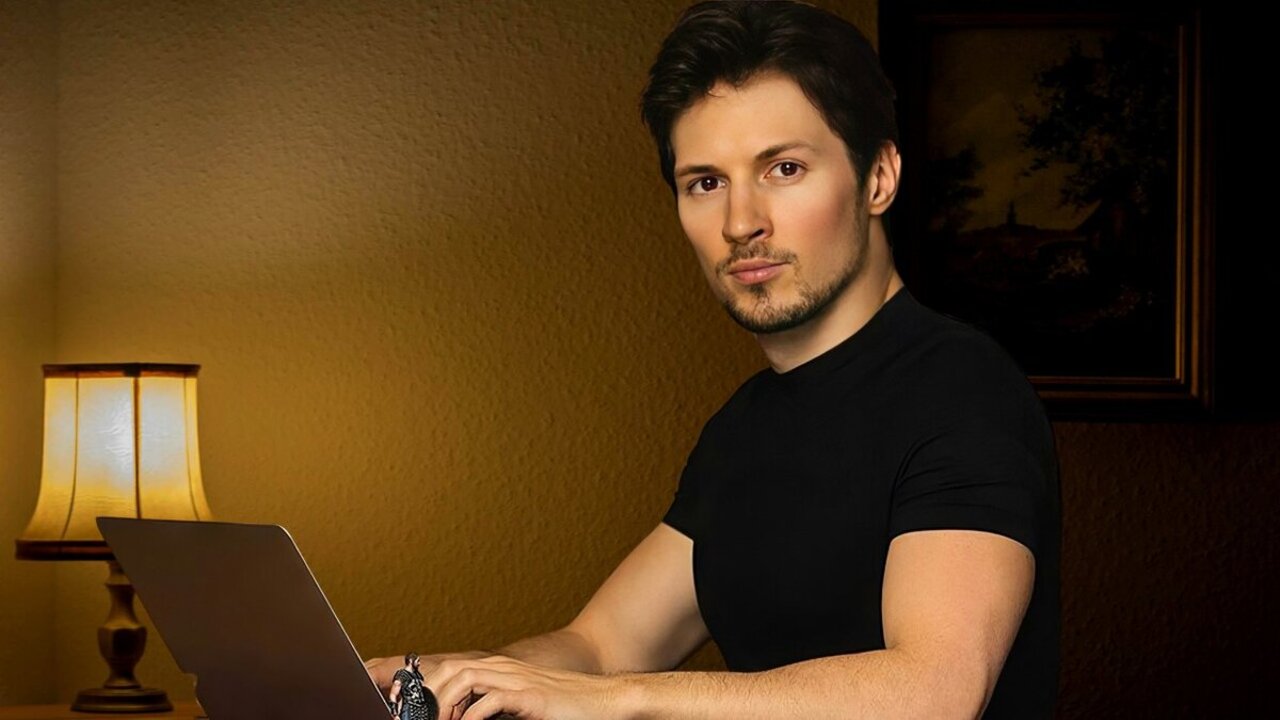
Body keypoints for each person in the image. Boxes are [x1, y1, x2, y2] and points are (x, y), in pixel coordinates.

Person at [366, 1, 1060, 718]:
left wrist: (616, 699)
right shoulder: (743, 427)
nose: (740, 222)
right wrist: (444, 676)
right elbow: (600, 646)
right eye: (706, 182)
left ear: (878, 177)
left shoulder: (964, 389)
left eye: (783, 168)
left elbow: (936, 691)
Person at [386, 653, 440, 720]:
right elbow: (393, 694)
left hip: (422, 711)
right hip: (409, 710)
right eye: (418, 661)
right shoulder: (402, 675)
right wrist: (394, 714)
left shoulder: (417, 675)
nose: (419, 663)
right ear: (411, 661)